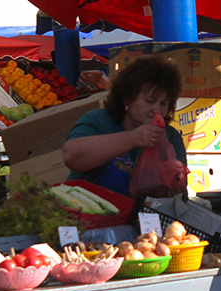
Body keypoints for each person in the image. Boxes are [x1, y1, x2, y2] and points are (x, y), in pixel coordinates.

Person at [63, 56, 187, 197]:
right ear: (128, 97)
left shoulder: (171, 137)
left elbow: (180, 189)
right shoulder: (100, 120)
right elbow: (71, 156)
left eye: (163, 104)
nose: (157, 110)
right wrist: (133, 138)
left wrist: (173, 185)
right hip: (85, 212)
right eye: (149, 101)